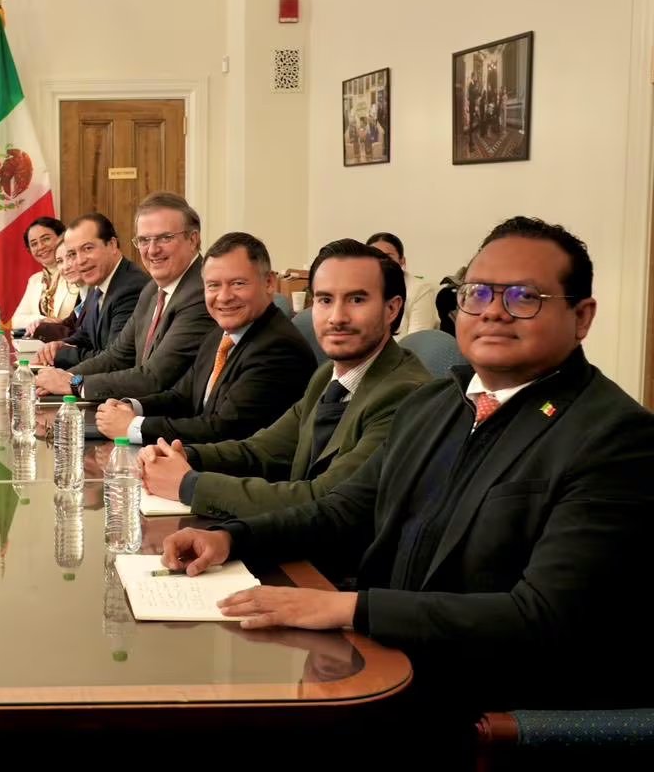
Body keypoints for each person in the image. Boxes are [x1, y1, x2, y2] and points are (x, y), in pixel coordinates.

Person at [160, 216, 654, 714]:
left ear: (583, 317)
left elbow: (540, 616)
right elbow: (343, 509)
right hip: (385, 658)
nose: (494, 313)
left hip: (485, 702)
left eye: (524, 297)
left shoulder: (613, 436)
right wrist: (230, 538)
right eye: (478, 294)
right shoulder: (437, 403)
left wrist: (350, 608)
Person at [139, 239, 429, 522]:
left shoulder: (405, 394)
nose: (337, 317)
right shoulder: (328, 375)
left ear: (392, 309)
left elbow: (324, 497)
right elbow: (261, 449)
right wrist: (182, 455)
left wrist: (189, 484)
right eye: (325, 300)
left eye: (356, 299)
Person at [94, 232, 313, 445]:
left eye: (237, 283)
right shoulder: (221, 332)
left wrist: (134, 427)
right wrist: (132, 407)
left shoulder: (278, 349)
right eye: (213, 285)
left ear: (269, 283)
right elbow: (183, 397)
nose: (224, 297)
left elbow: (222, 430)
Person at [36, 192, 216, 400]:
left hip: (170, 423)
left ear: (193, 239)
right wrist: (64, 376)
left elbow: (154, 377)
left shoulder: (202, 292)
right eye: (144, 240)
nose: (152, 250)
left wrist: (75, 384)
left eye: (165, 238)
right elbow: (117, 356)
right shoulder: (151, 290)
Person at [35, 212, 148, 368]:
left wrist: (62, 357)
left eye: (87, 248)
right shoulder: (97, 283)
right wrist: (58, 346)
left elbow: (116, 360)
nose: (80, 261)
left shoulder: (131, 288)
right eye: (73, 253)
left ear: (113, 245)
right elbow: (86, 334)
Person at [9, 217, 76, 334]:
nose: (40, 247)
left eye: (46, 239)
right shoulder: (35, 280)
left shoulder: (76, 272)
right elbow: (16, 321)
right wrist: (42, 320)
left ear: (62, 238)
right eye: (34, 244)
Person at [366, 232, 439, 337]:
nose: (380, 263)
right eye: (374, 257)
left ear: (402, 261)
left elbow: (418, 342)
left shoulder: (420, 289)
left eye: (387, 257)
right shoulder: (360, 289)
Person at [30, 239, 88, 342]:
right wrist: (44, 322)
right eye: (60, 261)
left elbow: (83, 338)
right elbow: (69, 324)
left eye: (71, 256)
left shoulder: (97, 293)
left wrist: (43, 328)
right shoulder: (84, 294)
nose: (65, 267)